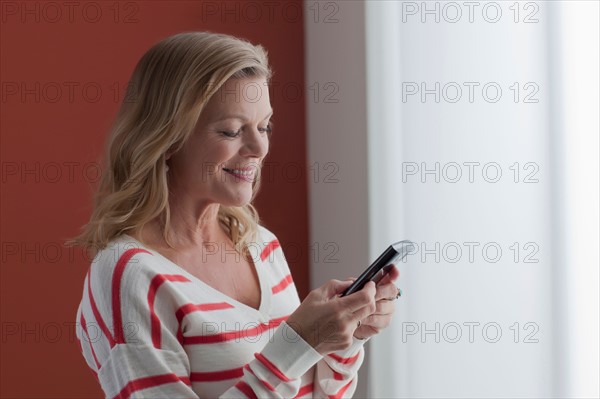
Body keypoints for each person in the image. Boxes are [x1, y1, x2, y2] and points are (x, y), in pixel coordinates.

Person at [67, 31, 401, 399]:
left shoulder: (260, 244)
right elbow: (285, 363)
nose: (259, 148)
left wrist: (342, 340)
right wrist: (297, 344)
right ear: (166, 139)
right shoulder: (127, 275)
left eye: (264, 127)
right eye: (231, 130)